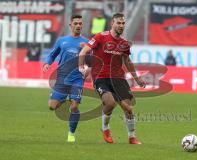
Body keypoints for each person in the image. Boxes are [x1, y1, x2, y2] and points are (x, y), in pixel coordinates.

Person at [78, 13, 146, 144]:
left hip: (119, 79)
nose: (121, 26)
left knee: (129, 109)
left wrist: (137, 78)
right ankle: (105, 128)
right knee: (110, 103)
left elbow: (127, 62)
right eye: (118, 23)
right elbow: (83, 52)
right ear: (112, 24)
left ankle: (132, 137)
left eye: (123, 23)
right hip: (101, 78)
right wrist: (81, 68)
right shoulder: (100, 37)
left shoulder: (124, 44)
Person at [42, 15, 90, 142]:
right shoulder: (62, 40)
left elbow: (91, 60)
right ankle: (64, 99)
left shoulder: (86, 42)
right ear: (71, 25)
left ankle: (71, 134)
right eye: (76, 23)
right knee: (52, 106)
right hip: (62, 78)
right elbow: (53, 54)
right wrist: (47, 63)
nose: (78, 25)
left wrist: (89, 69)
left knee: (74, 107)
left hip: (77, 79)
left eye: (80, 23)